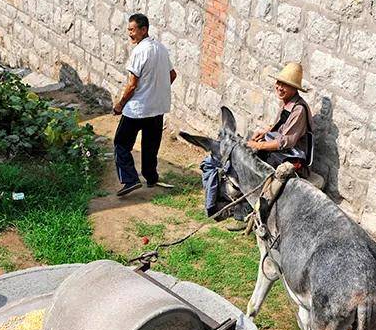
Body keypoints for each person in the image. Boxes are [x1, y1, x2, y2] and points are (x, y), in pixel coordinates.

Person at [201, 62, 311, 229]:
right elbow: (280, 128)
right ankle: (236, 202)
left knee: (258, 168)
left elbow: (285, 141)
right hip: (283, 150)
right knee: (245, 159)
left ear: (294, 89)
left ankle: (249, 213)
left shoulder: (299, 110)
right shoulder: (287, 102)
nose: (280, 88)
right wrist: (265, 133)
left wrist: (258, 146)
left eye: (286, 85)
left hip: (293, 156)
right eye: (279, 83)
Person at [112, 13, 177, 197]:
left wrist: (120, 104)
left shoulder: (139, 51)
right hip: (157, 108)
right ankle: (151, 177)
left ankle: (130, 179)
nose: (130, 34)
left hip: (137, 109)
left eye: (132, 30)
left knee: (121, 144)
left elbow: (132, 84)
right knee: (150, 145)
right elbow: (172, 75)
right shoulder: (161, 49)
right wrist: (156, 91)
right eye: (128, 30)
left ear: (143, 29)